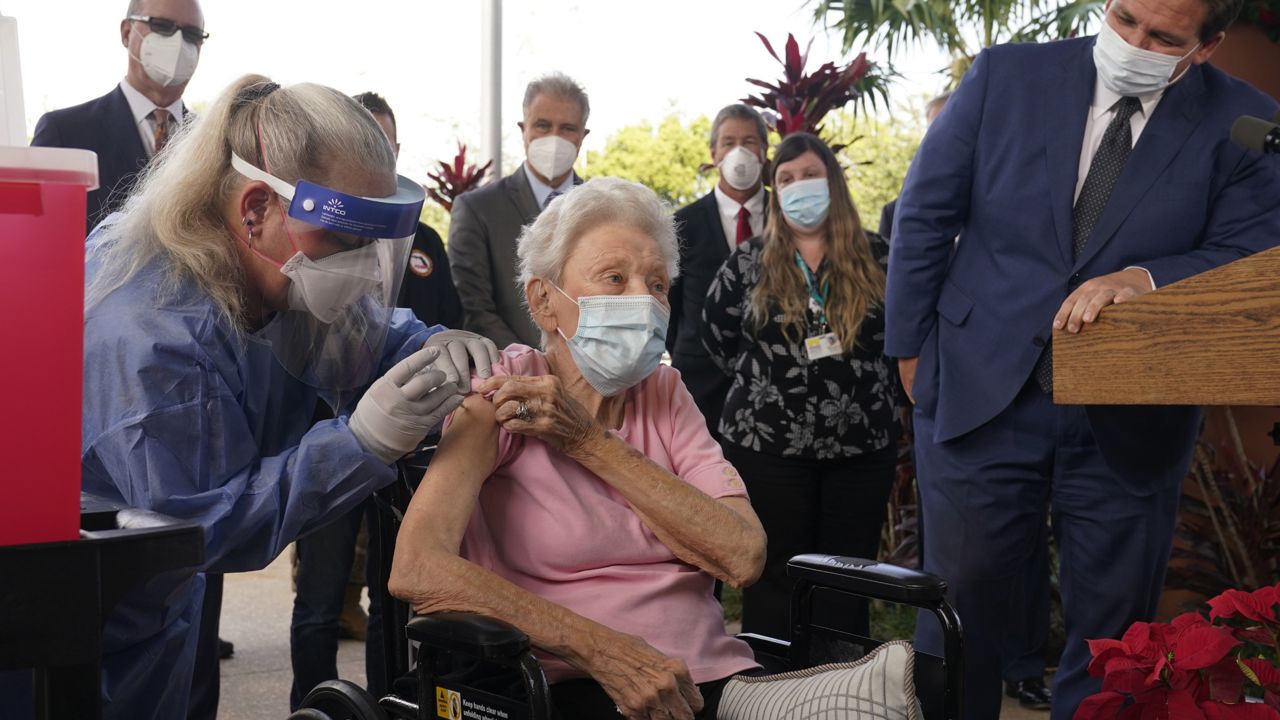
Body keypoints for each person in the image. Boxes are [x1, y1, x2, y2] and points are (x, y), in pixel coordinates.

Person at [885, 0, 1280, 716]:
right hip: (980, 388)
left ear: (1208, 45)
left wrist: (1147, 278)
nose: (1133, 43)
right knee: (958, 614)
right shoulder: (1005, 76)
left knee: (1115, 639)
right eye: (1124, 18)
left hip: (1132, 414)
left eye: (1162, 38)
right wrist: (910, 353)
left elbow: (1249, 249)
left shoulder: (1245, 121)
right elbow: (924, 212)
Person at [80, 74, 499, 720]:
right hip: (81, 621)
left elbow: (366, 334)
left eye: (371, 246)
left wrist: (437, 343)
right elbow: (198, 526)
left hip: (161, 612)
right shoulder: (146, 326)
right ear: (254, 210)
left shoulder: (277, 271)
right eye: (345, 241)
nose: (360, 268)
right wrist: (359, 445)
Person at [390, 177, 768, 720]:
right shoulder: (505, 393)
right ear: (545, 300)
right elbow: (417, 567)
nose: (642, 298)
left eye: (656, 284)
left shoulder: (664, 393)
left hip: (719, 681)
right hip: (574, 686)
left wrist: (589, 442)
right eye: (614, 278)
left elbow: (743, 554)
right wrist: (604, 650)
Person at [288, 89, 467, 710]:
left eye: (384, 147)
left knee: (392, 596)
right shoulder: (309, 236)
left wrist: (445, 349)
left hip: (406, 443)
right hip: (327, 436)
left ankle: (390, 702)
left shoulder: (427, 244)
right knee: (320, 597)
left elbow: (433, 322)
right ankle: (312, 706)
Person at [702, 132, 900, 641]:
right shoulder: (747, 261)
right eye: (785, 179)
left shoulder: (882, 257)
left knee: (847, 579)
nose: (798, 187)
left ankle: (840, 688)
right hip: (767, 450)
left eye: (809, 175)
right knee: (773, 578)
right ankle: (772, 692)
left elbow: (904, 337)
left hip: (861, 449)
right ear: (773, 190)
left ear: (832, 182)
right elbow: (716, 337)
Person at [32, 0, 206, 236]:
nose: (177, 43)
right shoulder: (65, 133)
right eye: (162, 26)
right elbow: (40, 241)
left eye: (191, 34)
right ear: (127, 33)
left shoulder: (213, 142)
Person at [447, 72, 589, 349]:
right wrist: (532, 364)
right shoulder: (477, 209)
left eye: (567, 128)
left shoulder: (604, 210)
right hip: (511, 375)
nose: (554, 138)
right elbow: (474, 308)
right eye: (543, 125)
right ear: (523, 129)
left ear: (583, 136)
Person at [669, 104, 770, 437]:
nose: (739, 150)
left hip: (773, 385)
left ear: (765, 151)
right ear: (714, 153)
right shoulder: (682, 223)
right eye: (728, 142)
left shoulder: (788, 216)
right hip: (699, 384)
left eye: (750, 141)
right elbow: (668, 304)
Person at [878, 91, 950, 242]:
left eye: (951, 126)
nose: (944, 138)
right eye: (934, 131)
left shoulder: (1000, 201)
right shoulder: (896, 214)